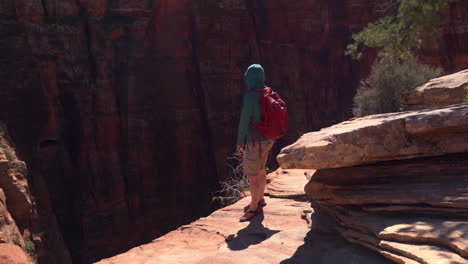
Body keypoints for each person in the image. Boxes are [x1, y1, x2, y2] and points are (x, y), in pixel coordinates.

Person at [236, 64, 275, 222]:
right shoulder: (268, 92)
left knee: (252, 175)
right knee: (260, 169)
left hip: (255, 141)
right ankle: (260, 199)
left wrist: (240, 141)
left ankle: (253, 208)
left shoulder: (251, 97)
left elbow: (244, 121)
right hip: (268, 139)